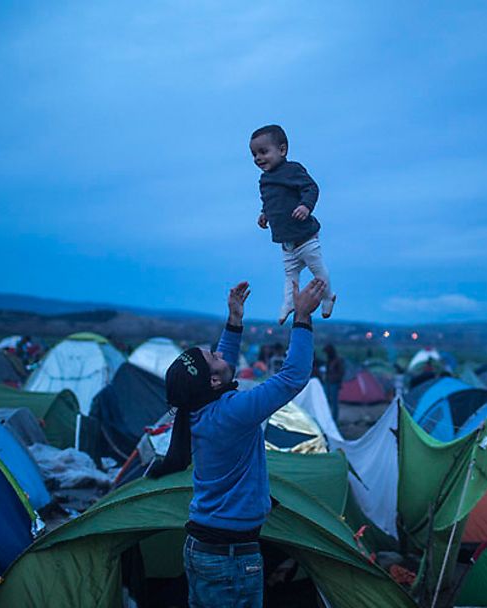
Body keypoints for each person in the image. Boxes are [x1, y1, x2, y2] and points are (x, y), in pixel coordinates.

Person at [148, 278, 325, 608]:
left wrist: (234, 321)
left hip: (203, 550)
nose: (219, 353)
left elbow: (217, 372)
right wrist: (302, 317)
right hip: (230, 558)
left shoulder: (196, 411)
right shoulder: (232, 414)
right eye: (213, 355)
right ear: (213, 380)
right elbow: (293, 377)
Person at [251, 124, 336, 324]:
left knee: (318, 270)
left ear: (282, 150)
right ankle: (289, 302)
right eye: (254, 154)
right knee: (290, 276)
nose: (258, 158)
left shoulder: (293, 170)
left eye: (263, 152)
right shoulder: (264, 180)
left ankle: (328, 296)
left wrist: (306, 206)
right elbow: (270, 201)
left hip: (305, 236)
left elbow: (311, 188)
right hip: (286, 242)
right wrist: (264, 213)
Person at [323, 344, 345, 423]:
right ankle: (329, 418)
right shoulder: (329, 360)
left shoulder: (337, 360)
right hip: (328, 382)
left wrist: (337, 380)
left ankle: (334, 420)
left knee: (334, 402)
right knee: (327, 400)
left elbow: (341, 372)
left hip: (334, 382)